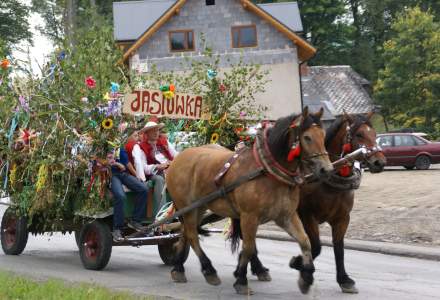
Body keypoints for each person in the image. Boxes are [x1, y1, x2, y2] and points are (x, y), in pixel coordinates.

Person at [108, 146, 148, 242]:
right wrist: (117, 164)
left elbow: (126, 162)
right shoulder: (102, 144)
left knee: (143, 189)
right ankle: (117, 228)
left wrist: (136, 175)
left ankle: (135, 221)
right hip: (111, 175)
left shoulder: (117, 145)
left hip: (122, 174)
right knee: (120, 196)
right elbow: (99, 161)